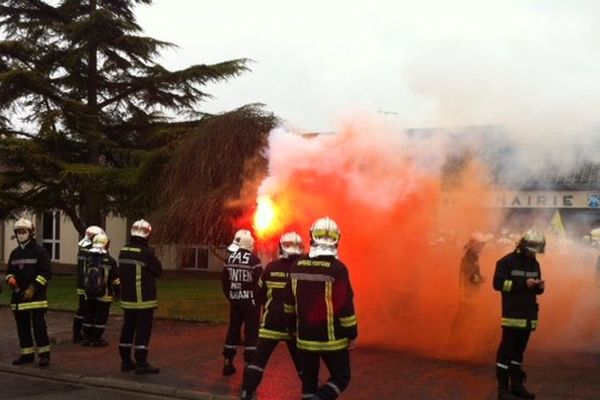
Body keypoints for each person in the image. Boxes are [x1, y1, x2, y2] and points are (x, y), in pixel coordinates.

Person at [284, 217, 358, 400]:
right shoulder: (337, 269)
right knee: (341, 377)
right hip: (332, 341)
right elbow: (345, 307)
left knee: (309, 383)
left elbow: (288, 304)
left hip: (304, 339)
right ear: (337, 239)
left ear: (311, 237)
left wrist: (292, 329)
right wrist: (352, 333)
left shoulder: (296, 266)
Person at [240, 232, 304, 400]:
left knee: (258, 361)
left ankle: (247, 391)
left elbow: (259, 294)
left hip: (270, 324)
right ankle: (311, 393)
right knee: (303, 364)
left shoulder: (271, 267)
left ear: (281, 247)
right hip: (294, 327)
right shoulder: (303, 269)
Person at [493, 229, 545, 400]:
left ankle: (516, 386)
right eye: (531, 249)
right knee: (506, 353)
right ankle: (502, 390)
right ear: (523, 246)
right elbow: (498, 284)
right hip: (513, 315)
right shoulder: (506, 262)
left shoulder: (534, 263)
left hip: (528, 316)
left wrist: (539, 288)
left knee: (518, 354)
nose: (533, 253)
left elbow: (535, 290)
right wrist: (523, 284)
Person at [4, 218, 52, 367]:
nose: (21, 234)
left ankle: (44, 355)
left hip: (36, 298)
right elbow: (9, 272)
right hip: (19, 297)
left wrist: (33, 289)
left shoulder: (40, 251)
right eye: (18, 232)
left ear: (31, 233)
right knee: (22, 328)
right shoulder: (14, 253)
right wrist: (10, 279)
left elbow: (45, 273)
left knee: (39, 327)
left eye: (23, 231)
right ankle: (27, 355)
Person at [118, 219, 162, 374]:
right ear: (147, 233)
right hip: (144, 300)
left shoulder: (123, 250)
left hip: (127, 300)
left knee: (127, 328)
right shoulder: (146, 252)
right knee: (143, 330)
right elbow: (158, 271)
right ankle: (141, 362)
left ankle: (125, 361)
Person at [222, 229, 263, 376]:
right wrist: (258, 300)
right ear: (251, 245)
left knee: (233, 330)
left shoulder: (229, 259)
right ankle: (248, 364)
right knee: (251, 333)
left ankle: (228, 362)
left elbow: (225, 282)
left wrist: (232, 296)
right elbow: (260, 283)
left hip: (235, 301)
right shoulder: (254, 260)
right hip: (250, 303)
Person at [81, 233, 120, 347]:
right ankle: (97, 339)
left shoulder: (88, 258)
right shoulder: (110, 261)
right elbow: (115, 279)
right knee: (101, 316)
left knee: (89, 314)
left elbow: (84, 275)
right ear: (105, 245)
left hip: (89, 293)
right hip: (104, 294)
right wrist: (117, 292)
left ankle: (87, 338)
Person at [73, 225, 105, 343]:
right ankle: (80, 334)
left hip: (83, 284)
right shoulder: (89, 250)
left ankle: (78, 333)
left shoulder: (84, 248)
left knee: (83, 309)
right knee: (84, 309)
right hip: (86, 285)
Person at [452, 232, 488, 331]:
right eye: (480, 245)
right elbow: (470, 278)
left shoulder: (473, 257)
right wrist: (482, 279)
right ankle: (454, 341)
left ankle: (460, 340)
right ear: (474, 244)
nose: (482, 247)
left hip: (470, 295)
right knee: (462, 320)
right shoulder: (468, 258)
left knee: (466, 320)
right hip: (467, 295)